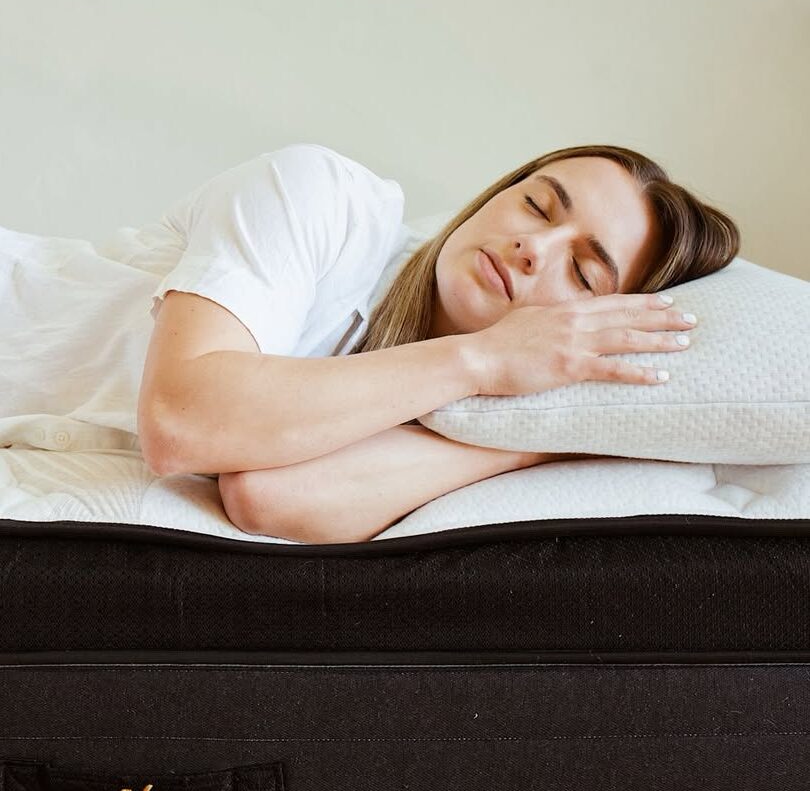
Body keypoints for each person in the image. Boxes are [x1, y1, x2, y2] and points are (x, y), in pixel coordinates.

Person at [1, 141, 740, 543]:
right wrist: (481, 359)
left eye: (582, 270)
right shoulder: (321, 197)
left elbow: (271, 495)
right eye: (536, 204)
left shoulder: (436, 397)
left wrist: (549, 429)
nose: (531, 245)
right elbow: (184, 421)